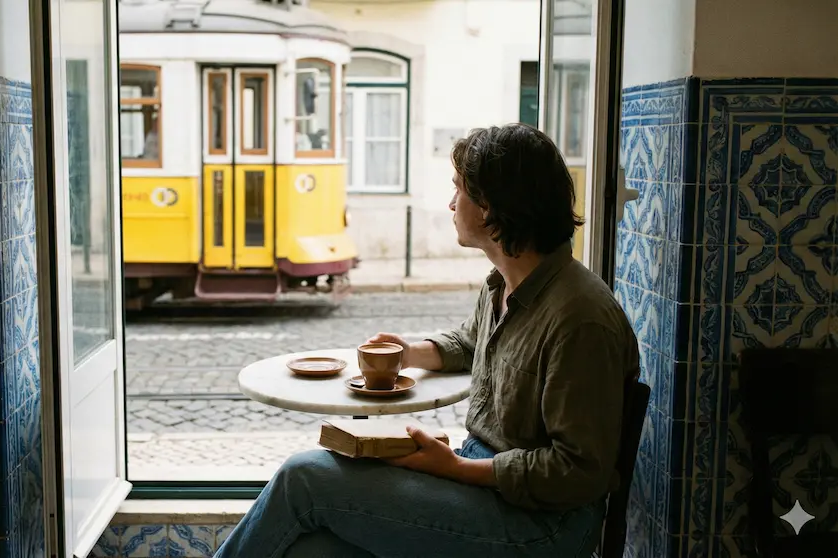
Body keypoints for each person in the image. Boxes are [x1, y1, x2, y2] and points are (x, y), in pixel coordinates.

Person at [214, 123, 641, 558]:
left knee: (304, 476)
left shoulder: (580, 320)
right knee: (314, 548)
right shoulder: (505, 285)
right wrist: (407, 353)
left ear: (493, 207)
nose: (451, 202)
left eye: (459, 189)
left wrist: (458, 468)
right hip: (487, 483)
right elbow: (473, 343)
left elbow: (578, 472)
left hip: (539, 526)